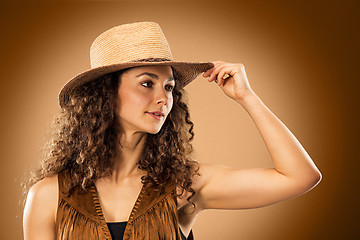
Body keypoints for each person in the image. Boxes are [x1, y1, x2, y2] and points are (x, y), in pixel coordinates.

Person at [22, 22, 321, 240]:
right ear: (107, 93)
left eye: (169, 87)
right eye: (147, 83)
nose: (164, 98)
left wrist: (247, 97)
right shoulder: (49, 196)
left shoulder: (185, 185)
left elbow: (300, 177)